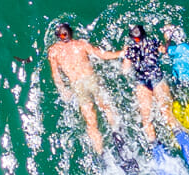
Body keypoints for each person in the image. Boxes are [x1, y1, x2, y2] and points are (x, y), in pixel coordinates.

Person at [46, 23, 131, 157]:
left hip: (77, 86)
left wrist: (63, 90)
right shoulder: (81, 44)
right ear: (71, 33)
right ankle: (117, 133)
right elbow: (102, 55)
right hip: (91, 79)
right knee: (106, 107)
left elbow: (56, 75)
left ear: (58, 36)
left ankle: (101, 154)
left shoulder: (53, 51)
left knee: (91, 122)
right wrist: (121, 53)